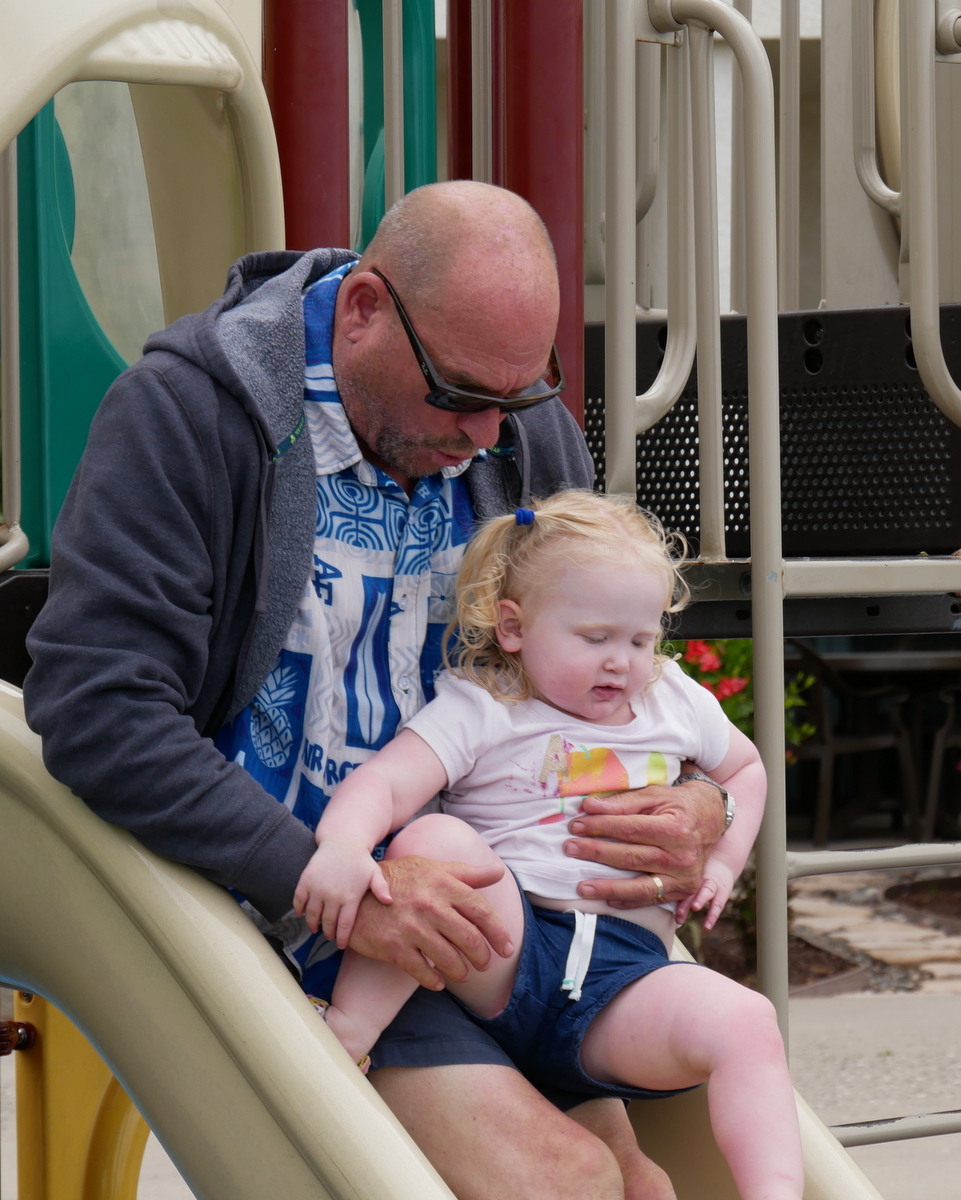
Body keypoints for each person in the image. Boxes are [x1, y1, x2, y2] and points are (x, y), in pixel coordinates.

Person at [24, 181, 730, 1200]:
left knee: (645, 1173)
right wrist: (334, 886)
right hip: (277, 910)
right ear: (362, 311)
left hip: (484, 914)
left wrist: (697, 804)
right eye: (459, 394)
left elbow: (606, 669)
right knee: (566, 1180)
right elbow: (99, 707)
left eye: (516, 398)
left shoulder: (518, 436)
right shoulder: (187, 416)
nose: (487, 434)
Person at [294, 490, 803, 1200]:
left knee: (748, 1019)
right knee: (434, 839)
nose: (621, 663)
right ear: (513, 627)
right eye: (594, 638)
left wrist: (723, 859)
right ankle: (349, 1030)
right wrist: (344, 845)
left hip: (622, 978)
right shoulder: (484, 707)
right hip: (505, 946)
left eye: (641, 640)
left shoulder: (672, 700)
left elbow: (745, 770)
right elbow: (385, 782)